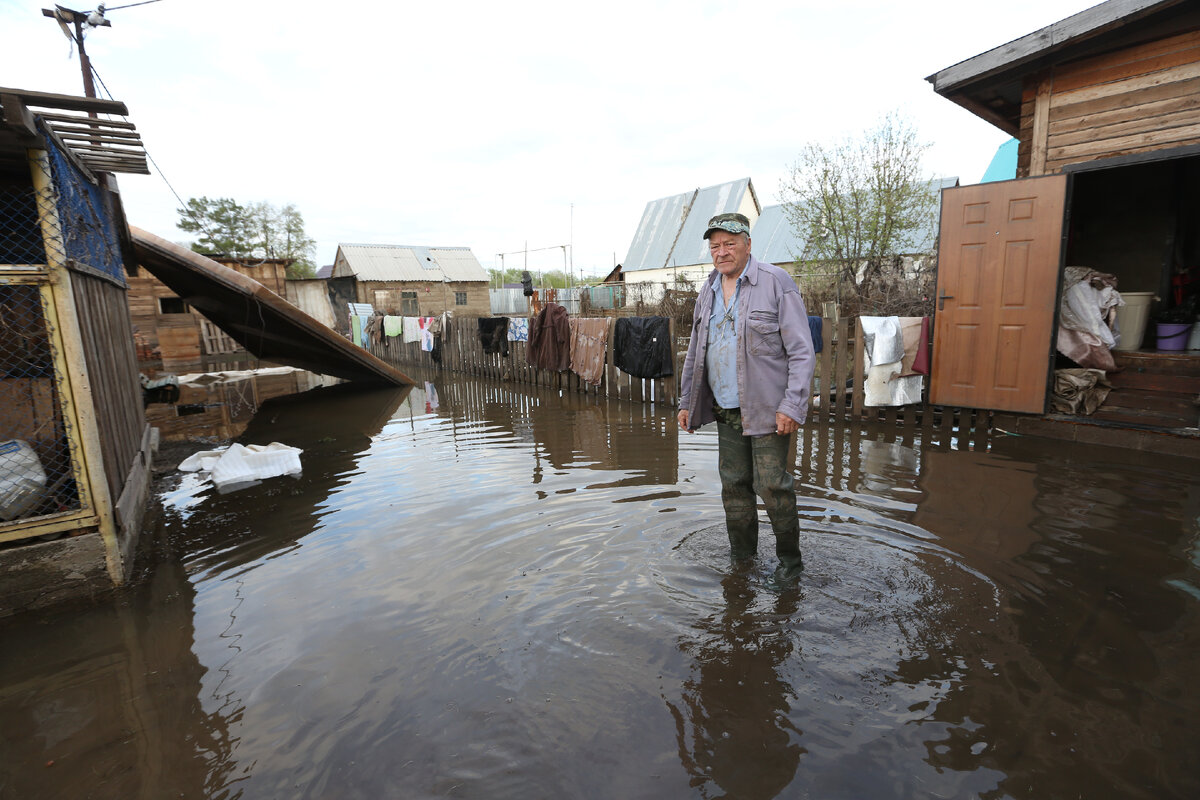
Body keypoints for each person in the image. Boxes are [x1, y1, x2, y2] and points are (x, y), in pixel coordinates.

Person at [677, 212, 816, 583]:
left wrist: (792, 404)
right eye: (715, 246)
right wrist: (687, 401)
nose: (722, 252)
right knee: (734, 486)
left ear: (748, 244)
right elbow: (696, 349)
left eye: (730, 243)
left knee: (773, 486)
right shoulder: (707, 291)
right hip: (726, 408)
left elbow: (802, 351)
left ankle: (790, 564)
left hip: (770, 410)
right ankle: (743, 561)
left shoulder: (776, 282)